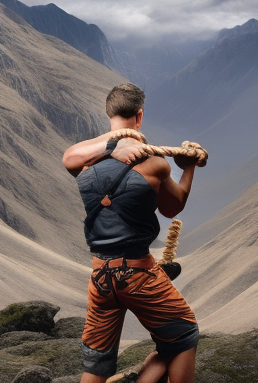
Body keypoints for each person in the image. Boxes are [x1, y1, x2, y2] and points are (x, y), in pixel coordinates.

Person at [62, 83, 201, 383]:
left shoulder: (86, 162)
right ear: (139, 117)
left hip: (100, 277)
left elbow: (69, 156)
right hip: (139, 274)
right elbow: (172, 208)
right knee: (184, 335)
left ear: (109, 115)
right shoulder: (155, 164)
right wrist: (187, 168)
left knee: (97, 365)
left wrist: (111, 144)